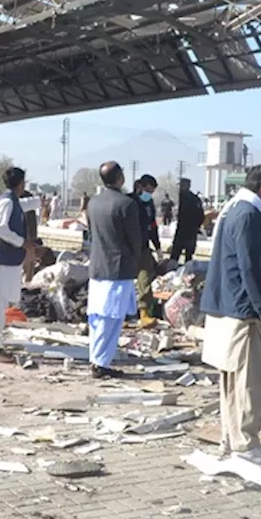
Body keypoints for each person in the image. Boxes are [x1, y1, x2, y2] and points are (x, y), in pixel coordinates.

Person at [200, 165, 261, 465]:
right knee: (251, 383)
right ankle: (246, 444)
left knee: (233, 383)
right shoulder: (249, 217)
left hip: (229, 310)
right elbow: (250, 268)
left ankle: (231, 438)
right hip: (246, 316)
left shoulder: (233, 210)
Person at [86, 162, 141, 379]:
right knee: (112, 318)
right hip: (118, 268)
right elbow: (135, 239)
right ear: (120, 177)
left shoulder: (93, 203)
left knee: (98, 316)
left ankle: (96, 357)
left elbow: (92, 233)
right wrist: (136, 259)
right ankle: (101, 363)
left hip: (98, 266)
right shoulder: (126, 204)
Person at [0, 167, 32, 364]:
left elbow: (23, 205)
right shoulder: (7, 201)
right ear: (21, 183)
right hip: (0, 261)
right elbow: (0, 228)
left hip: (0, 261)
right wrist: (21, 242)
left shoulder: (10, 200)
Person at [132, 174, 161, 324]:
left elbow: (153, 226)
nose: (149, 195)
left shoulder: (149, 204)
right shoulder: (129, 201)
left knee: (145, 278)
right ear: (141, 187)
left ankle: (144, 312)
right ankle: (125, 312)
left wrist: (158, 247)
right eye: (148, 191)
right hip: (128, 247)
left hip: (143, 246)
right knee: (125, 281)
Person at [169, 178, 204, 263]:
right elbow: (201, 215)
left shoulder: (185, 198)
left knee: (175, 256)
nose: (180, 187)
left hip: (184, 231)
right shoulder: (195, 199)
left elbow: (199, 215)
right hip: (191, 232)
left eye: (182, 185)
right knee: (188, 258)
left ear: (188, 186)